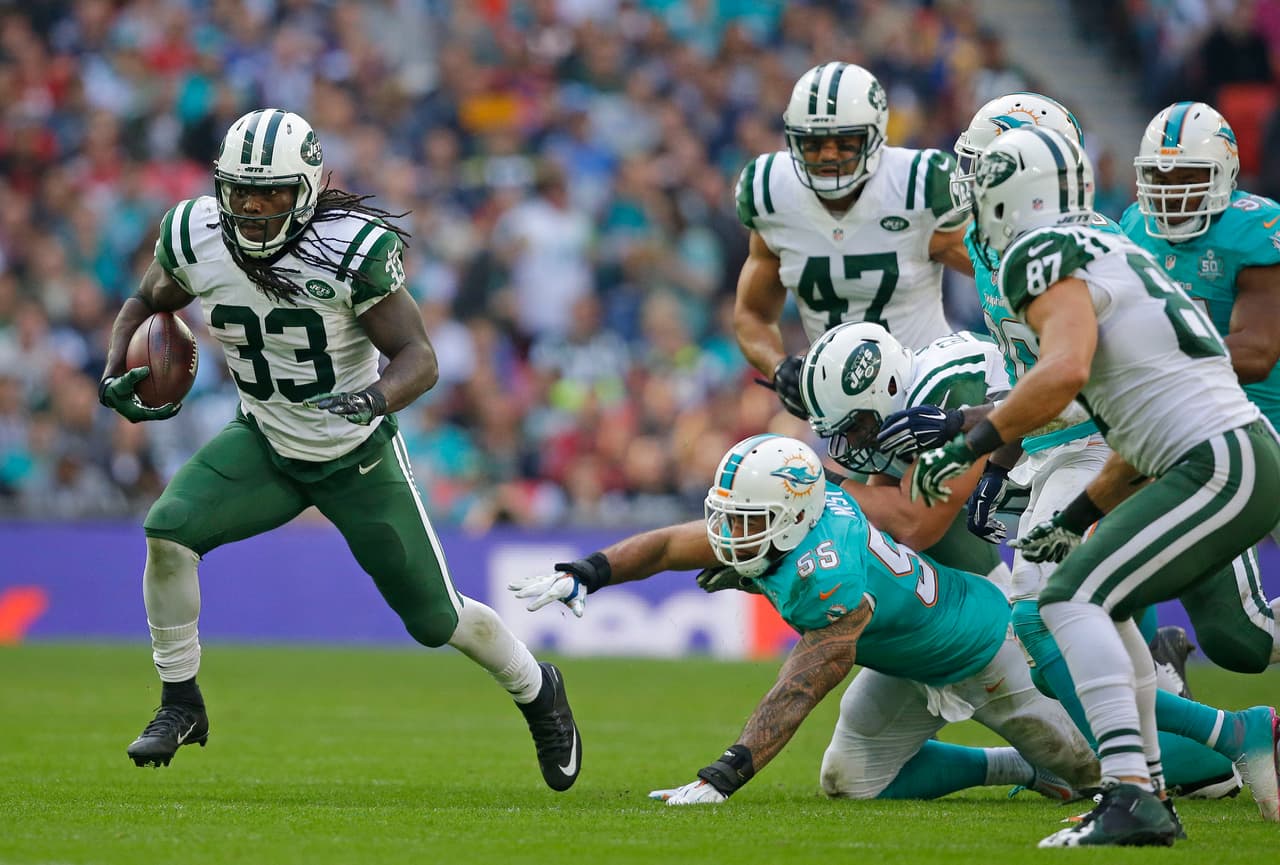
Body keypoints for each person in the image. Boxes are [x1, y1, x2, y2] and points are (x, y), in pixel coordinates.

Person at [97, 109, 581, 791]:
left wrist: (376, 398)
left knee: (437, 618)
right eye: (240, 192)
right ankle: (181, 701)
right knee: (167, 531)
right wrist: (117, 366)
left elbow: (420, 356)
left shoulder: (349, 249)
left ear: (310, 188)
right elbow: (144, 302)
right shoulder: (195, 234)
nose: (253, 209)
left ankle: (539, 691)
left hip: (356, 454)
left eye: (270, 194)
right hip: (264, 438)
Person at [884, 92, 1271, 805]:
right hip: (1098, 442)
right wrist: (999, 457)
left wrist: (971, 431)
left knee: (1066, 606)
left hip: (1126, 443)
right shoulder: (1021, 243)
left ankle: (1189, 751)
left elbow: (1072, 379)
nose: (971, 182)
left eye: (988, 168)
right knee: (1093, 604)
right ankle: (1162, 767)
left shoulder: (1061, 249)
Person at [511, 434, 1099, 805]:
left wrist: (725, 774)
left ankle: (1185, 737)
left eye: (747, 519)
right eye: (730, 516)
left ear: (793, 516)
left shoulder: (828, 571)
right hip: (903, 653)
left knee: (1101, 772)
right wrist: (587, 571)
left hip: (982, 650)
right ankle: (1019, 768)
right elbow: (668, 546)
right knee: (850, 780)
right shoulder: (792, 525)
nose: (730, 533)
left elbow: (800, 685)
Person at [732, 62, 972, 419]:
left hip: (929, 390)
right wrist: (778, 367)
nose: (829, 154)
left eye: (845, 142)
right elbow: (751, 314)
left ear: (875, 136)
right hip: (843, 411)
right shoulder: (771, 193)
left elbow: (998, 273)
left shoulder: (915, 185)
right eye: (814, 143)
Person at [1123, 102, 1280, 556]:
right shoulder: (1133, 226)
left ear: (1224, 174)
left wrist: (1155, 364)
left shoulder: (1252, 228)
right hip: (1188, 432)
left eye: (1187, 177)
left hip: (1268, 423)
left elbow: (1256, 352)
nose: (1170, 192)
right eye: (1159, 177)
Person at [800, 321, 1011, 589]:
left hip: (1068, 458)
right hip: (1045, 483)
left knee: (1045, 605)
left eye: (855, 425)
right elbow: (885, 520)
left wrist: (822, 481)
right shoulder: (900, 408)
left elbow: (915, 524)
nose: (853, 440)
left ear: (887, 386)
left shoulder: (942, 389)